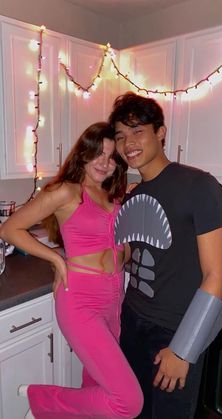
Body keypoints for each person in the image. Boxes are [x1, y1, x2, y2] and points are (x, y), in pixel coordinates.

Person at [0, 122, 143, 419]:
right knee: (128, 402)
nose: (105, 163)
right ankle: (42, 400)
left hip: (114, 299)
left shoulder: (113, 197)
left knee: (98, 382)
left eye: (111, 156)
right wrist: (57, 259)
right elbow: (10, 228)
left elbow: (120, 248)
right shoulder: (68, 192)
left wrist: (128, 246)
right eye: (98, 155)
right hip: (81, 300)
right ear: (83, 155)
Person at [108, 92, 222, 419]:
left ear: (160, 132)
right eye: (121, 136)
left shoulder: (200, 187)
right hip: (132, 320)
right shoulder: (134, 194)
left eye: (138, 131)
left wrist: (183, 349)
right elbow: (130, 257)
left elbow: (216, 278)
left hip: (174, 331)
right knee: (135, 412)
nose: (127, 143)